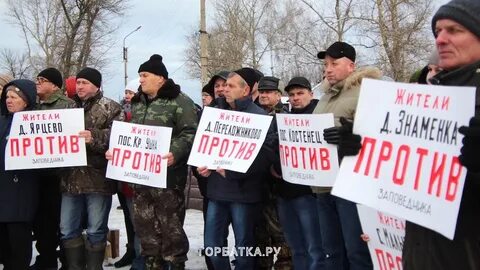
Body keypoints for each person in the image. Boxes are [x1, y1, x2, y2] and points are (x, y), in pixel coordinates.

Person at [402, 0, 480, 269]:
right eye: (437, 32)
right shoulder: (425, 100)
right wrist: (360, 150)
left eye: (454, 30)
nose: (441, 39)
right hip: (422, 252)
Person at [197, 68, 275, 270]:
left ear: (245, 90)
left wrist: (233, 171)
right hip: (217, 191)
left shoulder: (259, 116)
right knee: (212, 246)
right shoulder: (214, 114)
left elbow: (265, 158)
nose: (225, 90)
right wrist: (203, 165)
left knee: (244, 248)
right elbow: (203, 146)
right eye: (223, 86)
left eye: (231, 86)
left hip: (244, 193)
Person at [315, 41, 382, 270]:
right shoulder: (324, 97)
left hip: (352, 189)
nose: (328, 69)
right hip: (324, 188)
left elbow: (378, 136)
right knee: (332, 254)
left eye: (334, 63)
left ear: (351, 65)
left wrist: (352, 138)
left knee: (357, 253)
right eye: (326, 64)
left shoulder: (367, 92)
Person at [129, 54, 197, 270]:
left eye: (144, 75)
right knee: (146, 231)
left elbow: (190, 133)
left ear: (160, 78)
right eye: (140, 75)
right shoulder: (137, 102)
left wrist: (174, 153)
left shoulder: (180, 101)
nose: (140, 80)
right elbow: (130, 134)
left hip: (168, 181)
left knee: (171, 232)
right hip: (141, 180)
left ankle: (175, 265)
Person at [60, 67, 123, 269]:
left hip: (98, 179)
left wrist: (93, 137)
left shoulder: (111, 107)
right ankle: (74, 266)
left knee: (96, 228)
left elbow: (119, 137)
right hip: (70, 179)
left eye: (84, 82)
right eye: (78, 82)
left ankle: (93, 267)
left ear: (96, 85)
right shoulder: (67, 108)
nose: (79, 86)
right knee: (67, 228)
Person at [273, 77, 325, 270]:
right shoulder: (283, 119)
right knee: (296, 247)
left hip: (308, 194)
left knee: (314, 247)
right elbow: (274, 148)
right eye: (292, 94)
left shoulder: (320, 118)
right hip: (284, 192)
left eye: (300, 93)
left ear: (311, 94)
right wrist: (274, 166)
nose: (295, 98)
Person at [32, 68, 75, 270]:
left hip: (60, 175)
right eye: (37, 79)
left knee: (63, 222)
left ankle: (67, 260)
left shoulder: (68, 106)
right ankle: (46, 258)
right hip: (37, 175)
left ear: (55, 85)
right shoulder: (33, 106)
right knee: (42, 223)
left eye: (43, 80)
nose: (38, 82)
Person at [0, 79, 39, 270]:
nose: (9, 100)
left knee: (19, 244)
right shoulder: (2, 120)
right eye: (7, 96)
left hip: (22, 192)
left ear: (26, 100)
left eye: (14, 97)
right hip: (3, 190)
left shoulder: (36, 123)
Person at [255, 76, 293, 270]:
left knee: (280, 233)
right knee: (259, 235)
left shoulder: (285, 116)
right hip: (255, 184)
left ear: (278, 95)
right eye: (261, 91)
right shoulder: (251, 114)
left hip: (276, 183)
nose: (264, 95)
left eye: (268, 92)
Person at [114, 78, 142, 269]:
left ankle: (140, 259)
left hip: (137, 180)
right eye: (126, 92)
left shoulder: (140, 115)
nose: (127, 96)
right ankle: (131, 251)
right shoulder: (120, 114)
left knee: (138, 222)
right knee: (129, 220)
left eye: (130, 93)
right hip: (122, 179)